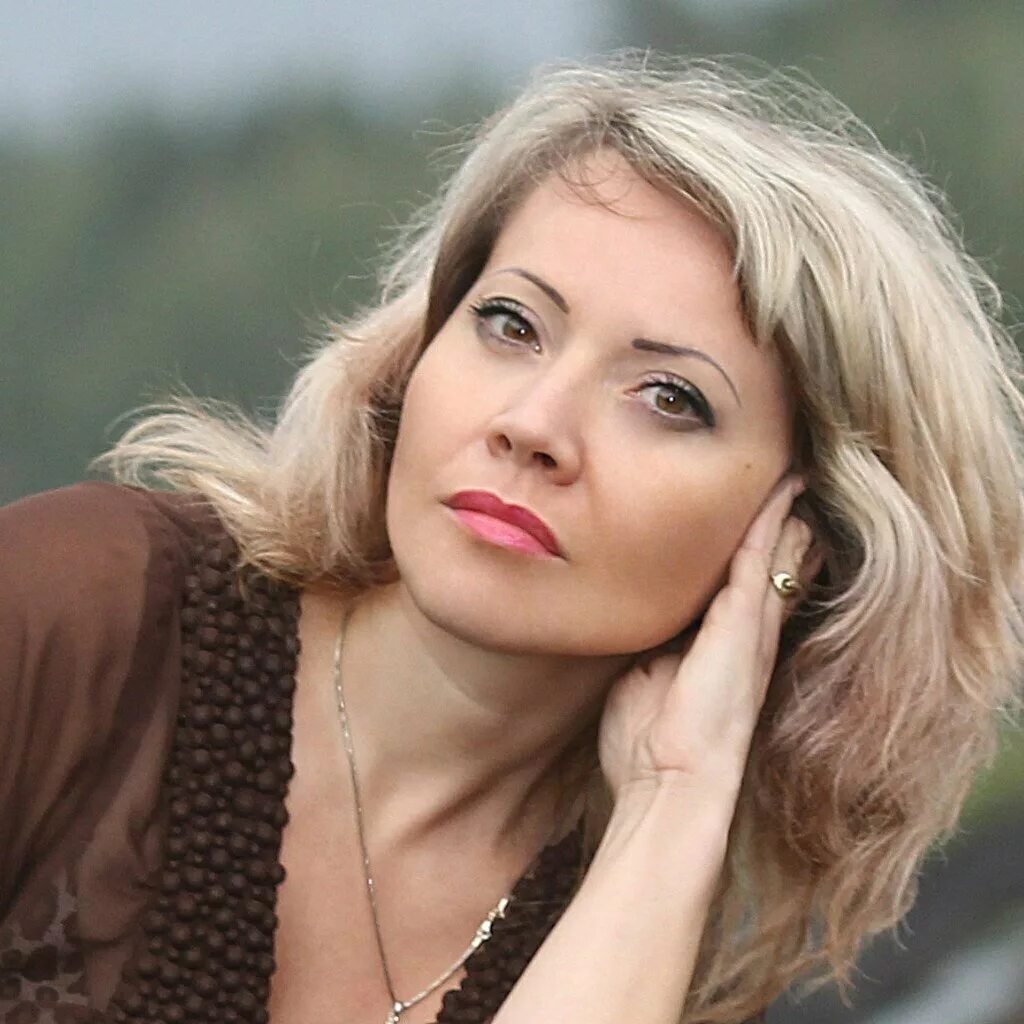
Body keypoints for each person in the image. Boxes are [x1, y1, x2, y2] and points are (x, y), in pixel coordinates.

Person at [1, 54, 1021, 1024]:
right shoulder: (72, 619)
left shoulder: (653, 931)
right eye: (511, 325)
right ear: (420, 345)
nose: (533, 424)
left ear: (807, 539)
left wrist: (674, 797)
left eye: (668, 397)